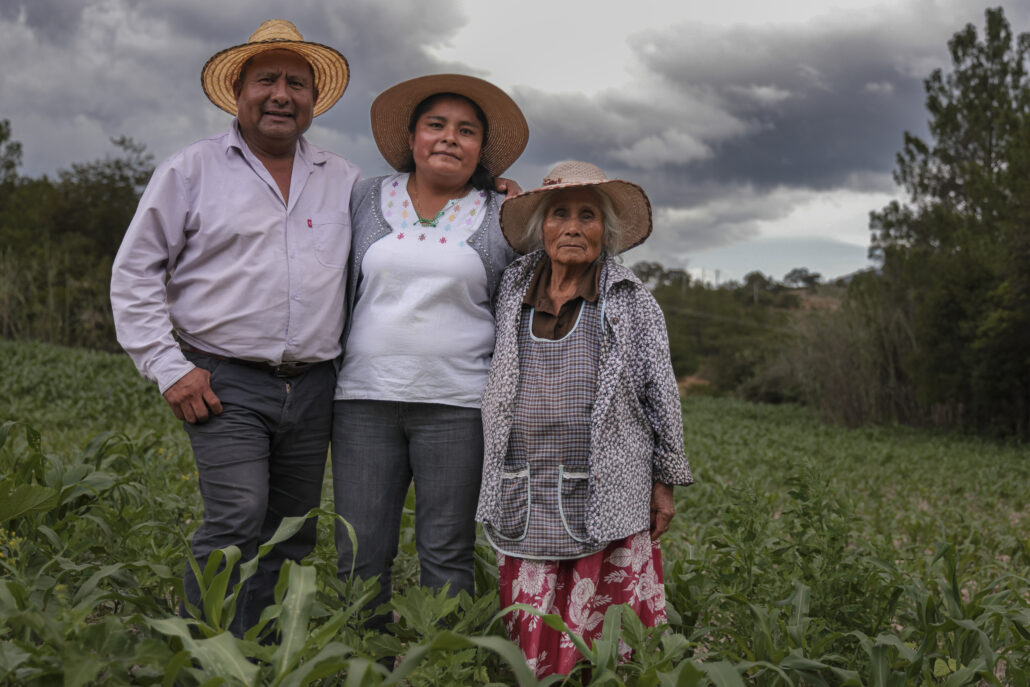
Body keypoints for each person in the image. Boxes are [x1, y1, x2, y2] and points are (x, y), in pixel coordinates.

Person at [110, 19, 359, 636]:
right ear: (239, 93)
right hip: (223, 380)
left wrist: (492, 195)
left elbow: (410, 228)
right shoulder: (190, 171)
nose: (281, 94)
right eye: (266, 80)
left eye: (296, 83)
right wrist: (170, 368)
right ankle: (202, 652)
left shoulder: (347, 181)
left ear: (313, 99)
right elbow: (135, 274)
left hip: (315, 385)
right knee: (237, 517)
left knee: (291, 532)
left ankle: (264, 652)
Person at [475, 161, 694, 677]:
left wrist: (665, 483)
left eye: (588, 216)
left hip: (609, 483)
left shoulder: (631, 302)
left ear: (606, 232)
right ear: (540, 228)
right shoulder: (511, 290)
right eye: (559, 214)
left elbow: (662, 392)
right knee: (531, 611)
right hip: (523, 480)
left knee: (606, 632)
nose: (572, 226)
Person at [331, 74, 529, 632]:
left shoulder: (503, 215)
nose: (449, 138)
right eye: (436, 125)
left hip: (459, 406)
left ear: (481, 150)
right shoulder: (364, 197)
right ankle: (359, 660)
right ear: (413, 138)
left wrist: (524, 200)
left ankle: (441, 666)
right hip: (363, 402)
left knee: (446, 551)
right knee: (360, 550)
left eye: (466, 131)